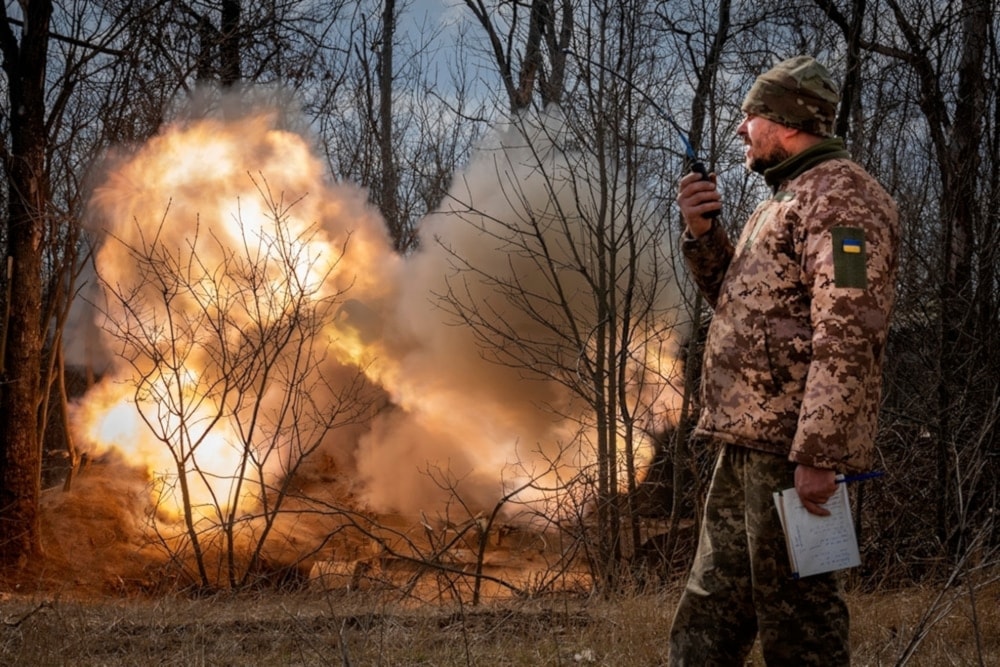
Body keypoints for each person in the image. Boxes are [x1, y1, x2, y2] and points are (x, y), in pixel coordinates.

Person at [667, 55, 900, 665]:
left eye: (750, 117)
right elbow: (741, 308)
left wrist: (819, 454)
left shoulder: (843, 200)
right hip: (745, 442)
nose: (741, 130)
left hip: (791, 452)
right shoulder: (784, 199)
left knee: (799, 621)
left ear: (786, 121)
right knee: (711, 608)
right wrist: (702, 233)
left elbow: (850, 331)